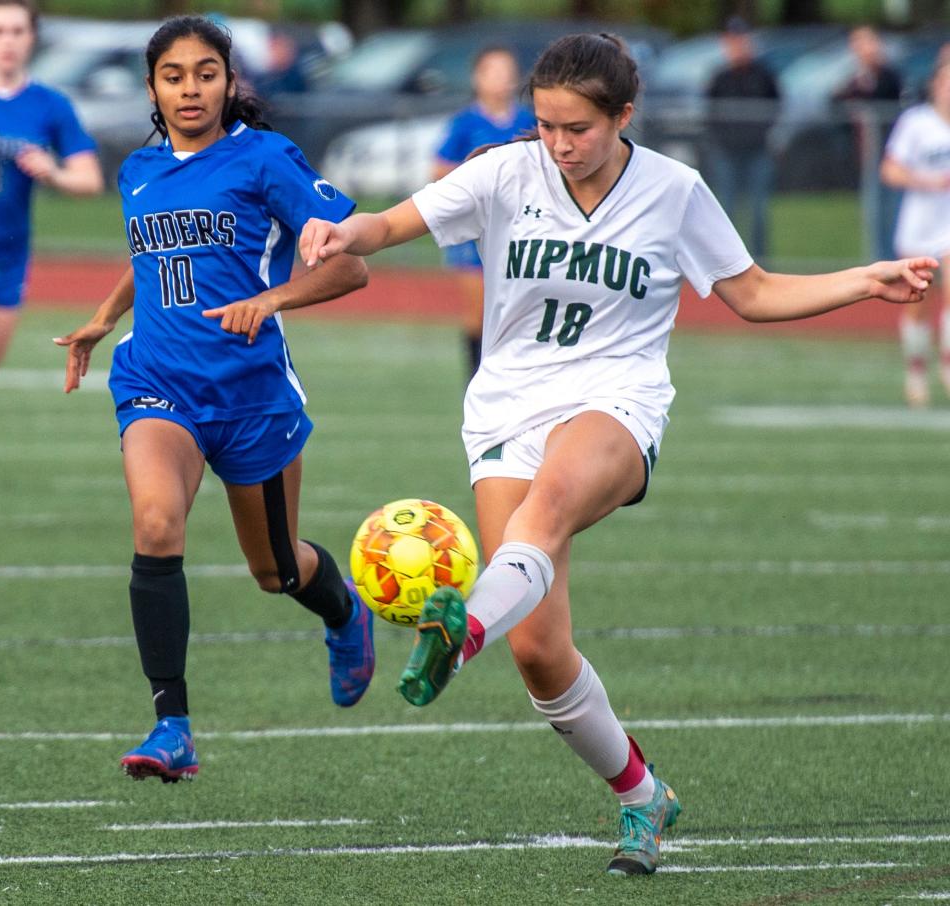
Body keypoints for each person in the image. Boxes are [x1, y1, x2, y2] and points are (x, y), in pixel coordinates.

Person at [300, 33, 934, 878]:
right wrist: (341, 233)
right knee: (541, 652)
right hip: (505, 408)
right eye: (545, 125)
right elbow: (394, 221)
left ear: (623, 115)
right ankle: (641, 796)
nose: (558, 144)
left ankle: (463, 630)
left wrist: (865, 279)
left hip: (616, 400)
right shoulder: (505, 171)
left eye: (577, 129)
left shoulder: (675, 192)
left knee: (547, 509)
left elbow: (752, 292)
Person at [54, 16, 374, 783]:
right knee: (157, 522)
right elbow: (152, 254)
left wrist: (272, 301)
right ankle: (172, 726)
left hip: (251, 399)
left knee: (277, 573)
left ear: (229, 81)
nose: (190, 87)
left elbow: (350, 267)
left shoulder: (265, 159)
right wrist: (104, 320)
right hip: (157, 384)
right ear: (153, 88)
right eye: (174, 75)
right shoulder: (137, 168)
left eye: (206, 72)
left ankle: (343, 611)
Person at [0, 0, 102, 382]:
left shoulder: (50, 105)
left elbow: (89, 180)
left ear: (32, 37)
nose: (8, 41)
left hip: (7, 253)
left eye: (17, 31)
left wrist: (52, 172)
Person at [432, 46, 535, 378]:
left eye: (508, 71)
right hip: (476, 231)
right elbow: (439, 170)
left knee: (520, 311)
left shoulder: (528, 121)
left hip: (521, 232)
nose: (502, 79)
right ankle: (476, 384)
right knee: (478, 314)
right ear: (477, 78)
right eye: (493, 71)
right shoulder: (465, 123)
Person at [880, 56, 950, 407]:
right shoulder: (916, 123)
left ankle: (948, 366)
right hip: (920, 224)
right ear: (936, 85)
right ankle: (917, 373)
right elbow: (890, 170)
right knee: (917, 303)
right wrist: (929, 181)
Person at [704, 16, 779, 261]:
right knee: (725, 210)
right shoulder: (720, 77)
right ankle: (728, 262)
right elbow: (710, 113)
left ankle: (760, 262)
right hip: (727, 152)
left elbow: (776, 106)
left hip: (757, 151)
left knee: (758, 211)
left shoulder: (763, 75)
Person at [833, 25, 903, 262]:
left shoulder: (889, 76)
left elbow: (889, 99)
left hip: (892, 157)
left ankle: (896, 259)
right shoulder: (855, 79)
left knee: (894, 211)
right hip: (869, 155)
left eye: (867, 42)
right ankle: (879, 260)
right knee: (874, 212)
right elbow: (836, 103)